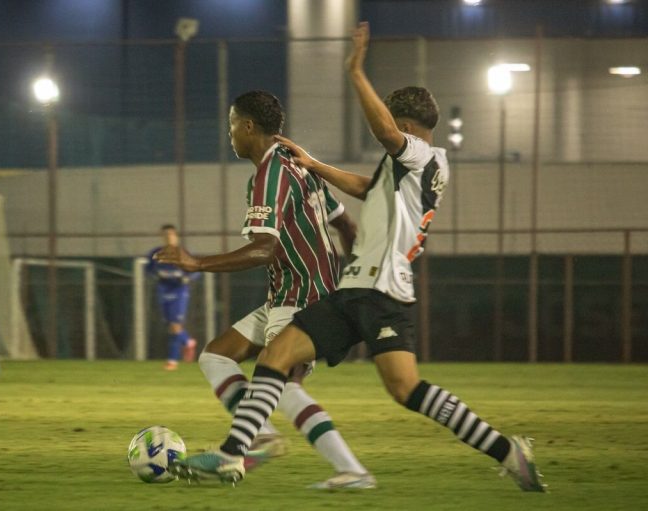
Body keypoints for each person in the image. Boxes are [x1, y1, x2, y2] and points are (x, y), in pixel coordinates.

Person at [172, 22, 546, 493]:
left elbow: (387, 134)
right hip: (355, 288)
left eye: (392, 126)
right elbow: (368, 190)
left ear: (407, 127)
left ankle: (509, 453)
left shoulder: (423, 155)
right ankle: (233, 455)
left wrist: (354, 72)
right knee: (276, 357)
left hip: (384, 291)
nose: (385, 135)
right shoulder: (406, 170)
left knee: (406, 390)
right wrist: (314, 163)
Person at [156, 90, 375, 489]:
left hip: (301, 295)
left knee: (285, 384)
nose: (230, 135)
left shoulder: (270, 175)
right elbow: (345, 224)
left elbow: (264, 248)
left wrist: (196, 263)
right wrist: (353, 274)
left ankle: (352, 471)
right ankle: (260, 436)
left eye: (232, 126)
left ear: (249, 126)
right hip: (293, 291)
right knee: (216, 355)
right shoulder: (298, 165)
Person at [146, 224, 198, 370]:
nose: (168, 237)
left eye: (171, 234)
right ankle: (188, 341)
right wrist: (155, 275)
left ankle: (172, 361)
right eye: (165, 235)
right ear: (162, 237)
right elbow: (149, 269)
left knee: (175, 325)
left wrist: (187, 278)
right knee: (171, 326)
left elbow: (195, 269)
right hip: (163, 289)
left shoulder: (183, 253)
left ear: (176, 236)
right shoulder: (156, 253)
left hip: (179, 291)